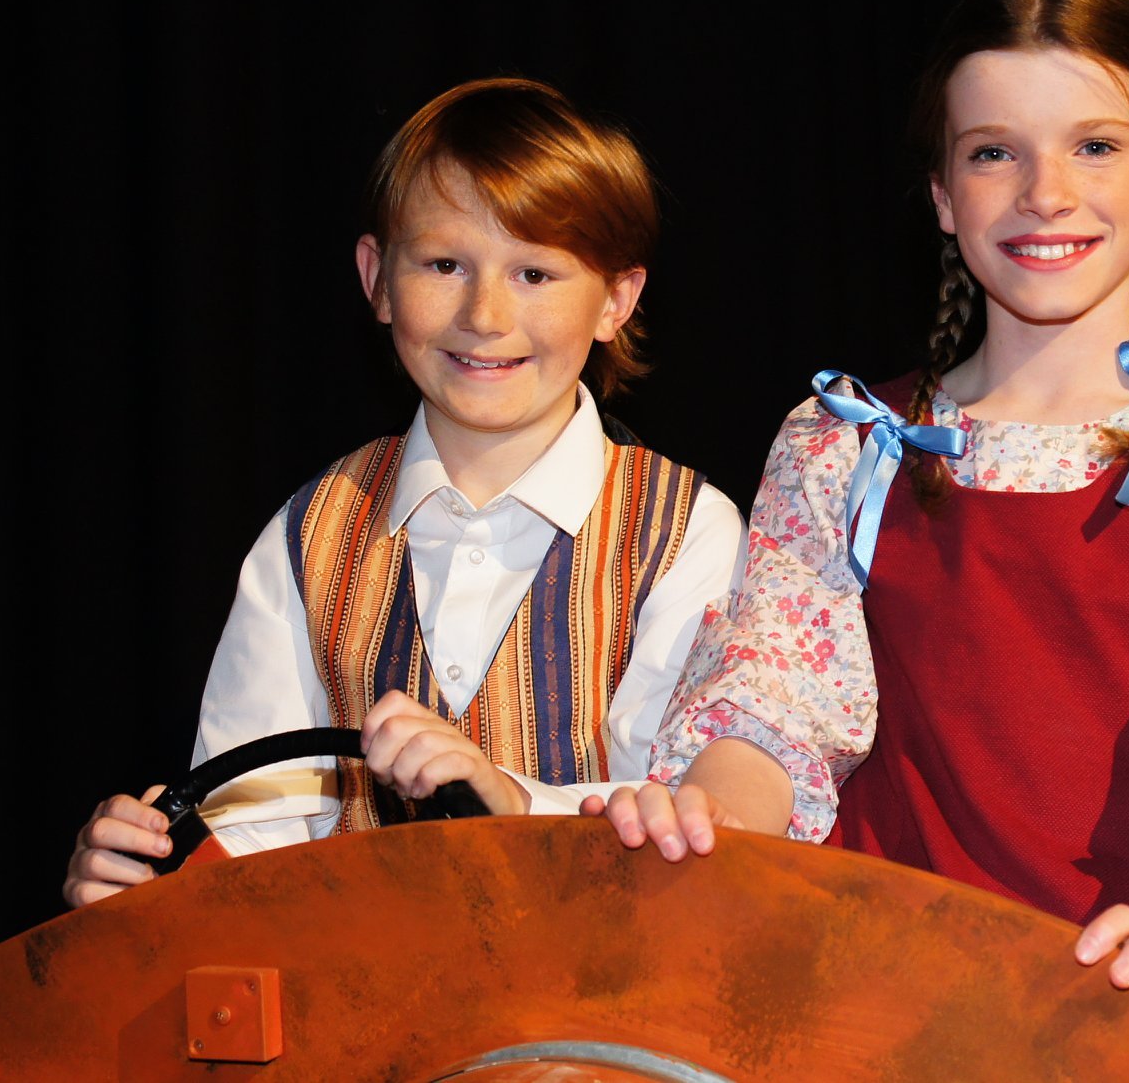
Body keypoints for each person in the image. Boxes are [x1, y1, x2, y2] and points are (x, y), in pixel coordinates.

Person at [596, 0, 1129, 1077]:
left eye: (1093, 146)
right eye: (994, 152)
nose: (1045, 192)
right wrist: (704, 817)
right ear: (943, 197)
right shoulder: (845, 442)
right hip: (906, 1014)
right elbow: (772, 705)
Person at [64, 77, 746, 906]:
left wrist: (508, 800)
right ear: (377, 278)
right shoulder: (310, 533)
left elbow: (693, 824)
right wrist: (148, 883)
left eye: (534, 272)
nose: (485, 314)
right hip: (351, 989)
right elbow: (252, 844)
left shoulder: (685, 533)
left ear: (617, 299)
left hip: (596, 987)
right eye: (445, 264)